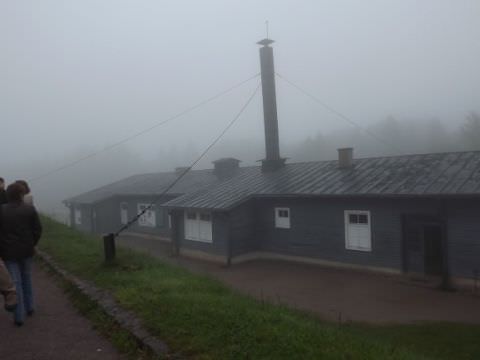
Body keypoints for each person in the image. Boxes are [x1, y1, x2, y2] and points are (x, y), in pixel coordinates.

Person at [0, 183, 42, 326]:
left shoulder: (1, 211)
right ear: (21, 194)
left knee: (14, 283)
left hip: (8, 252)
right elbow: (37, 230)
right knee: (27, 278)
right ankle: (30, 307)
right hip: (26, 250)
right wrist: (32, 243)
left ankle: (19, 317)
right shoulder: (29, 209)